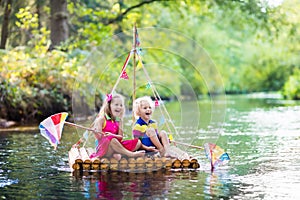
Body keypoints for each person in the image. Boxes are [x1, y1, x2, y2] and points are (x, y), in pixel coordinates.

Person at [90, 93, 145, 159]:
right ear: (109, 106)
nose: (119, 107)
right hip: (104, 148)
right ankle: (130, 154)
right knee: (112, 139)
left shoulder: (119, 120)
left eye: (121, 105)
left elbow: (120, 137)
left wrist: (113, 135)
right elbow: (98, 137)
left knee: (137, 142)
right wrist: (95, 132)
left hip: (116, 145)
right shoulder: (101, 119)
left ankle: (118, 153)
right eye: (116, 105)